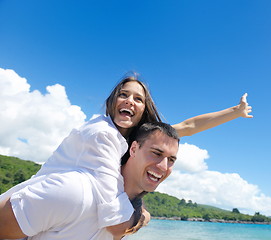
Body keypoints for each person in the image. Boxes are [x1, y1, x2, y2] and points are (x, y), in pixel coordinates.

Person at [0, 74, 253, 239]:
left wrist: (235, 111)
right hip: (39, 205)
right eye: (123, 94)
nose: (130, 101)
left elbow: (187, 126)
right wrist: (142, 216)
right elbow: (115, 219)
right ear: (112, 102)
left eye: (138, 98)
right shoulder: (102, 134)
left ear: (144, 109)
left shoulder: (136, 137)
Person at [0, 122, 180, 240]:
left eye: (171, 160)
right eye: (156, 153)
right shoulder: (75, 192)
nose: (164, 167)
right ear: (133, 149)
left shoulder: (126, 213)